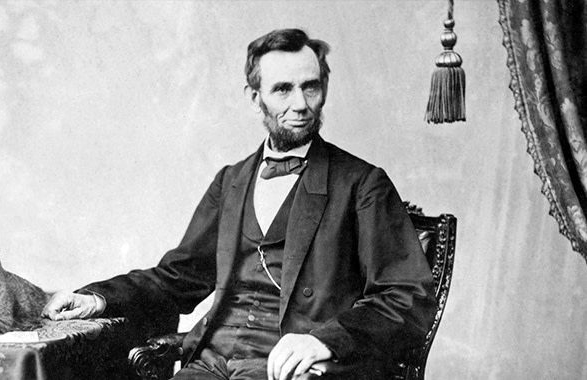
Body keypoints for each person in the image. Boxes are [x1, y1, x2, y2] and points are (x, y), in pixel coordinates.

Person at [42, 28, 436, 380]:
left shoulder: (362, 184)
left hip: (292, 368)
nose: (300, 103)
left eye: (310, 87)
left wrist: (325, 342)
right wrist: (98, 298)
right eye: (283, 89)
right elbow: (179, 277)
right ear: (254, 97)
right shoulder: (231, 181)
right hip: (211, 361)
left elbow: (407, 296)